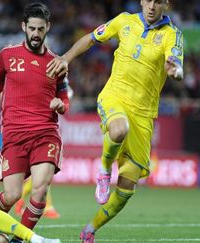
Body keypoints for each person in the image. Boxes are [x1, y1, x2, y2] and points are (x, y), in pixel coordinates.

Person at [47, 0, 183, 242]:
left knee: (126, 188)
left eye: (158, 1)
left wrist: (175, 70)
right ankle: (104, 168)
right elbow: (91, 38)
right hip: (114, 97)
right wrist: (66, 58)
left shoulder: (172, 35)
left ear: (166, 5)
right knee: (119, 129)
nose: (152, 6)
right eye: (148, 0)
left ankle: (90, 229)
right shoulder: (124, 21)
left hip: (144, 115)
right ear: (141, 1)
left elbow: (175, 60)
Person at [0, 2, 70, 236]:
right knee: (12, 195)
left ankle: (20, 238)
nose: (36, 34)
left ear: (47, 27)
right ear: (23, 27)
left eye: (40, 29)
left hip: (45, 132)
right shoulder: (7, 55)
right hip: (14, 135)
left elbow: (65, 99)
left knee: (39, 189)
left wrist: (61, 105)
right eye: (32, 28)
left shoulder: (58, 63)